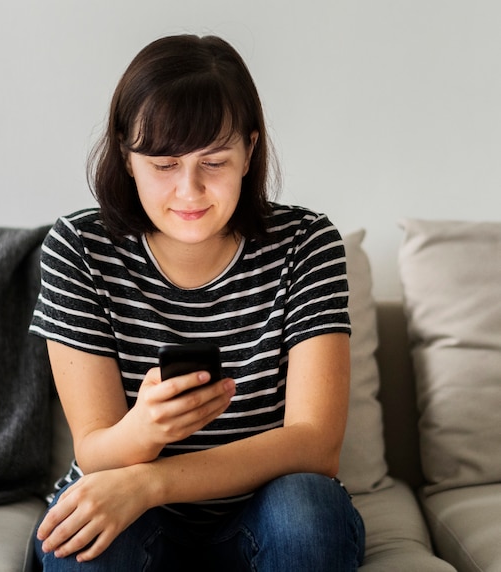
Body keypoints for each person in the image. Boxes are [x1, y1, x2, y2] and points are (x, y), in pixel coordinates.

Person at [29, 34, 365, 571]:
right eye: (164, 164)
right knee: (86, 532)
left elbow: (315, 445)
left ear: (250, 151)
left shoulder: (307, 242)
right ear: (126, 154)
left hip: (262, 515)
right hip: (129, 513)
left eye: (214, 162)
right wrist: (145, 431)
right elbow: (94, 451)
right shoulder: (79, 248)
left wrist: (150, 482)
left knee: (307, 509)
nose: (190, 191)